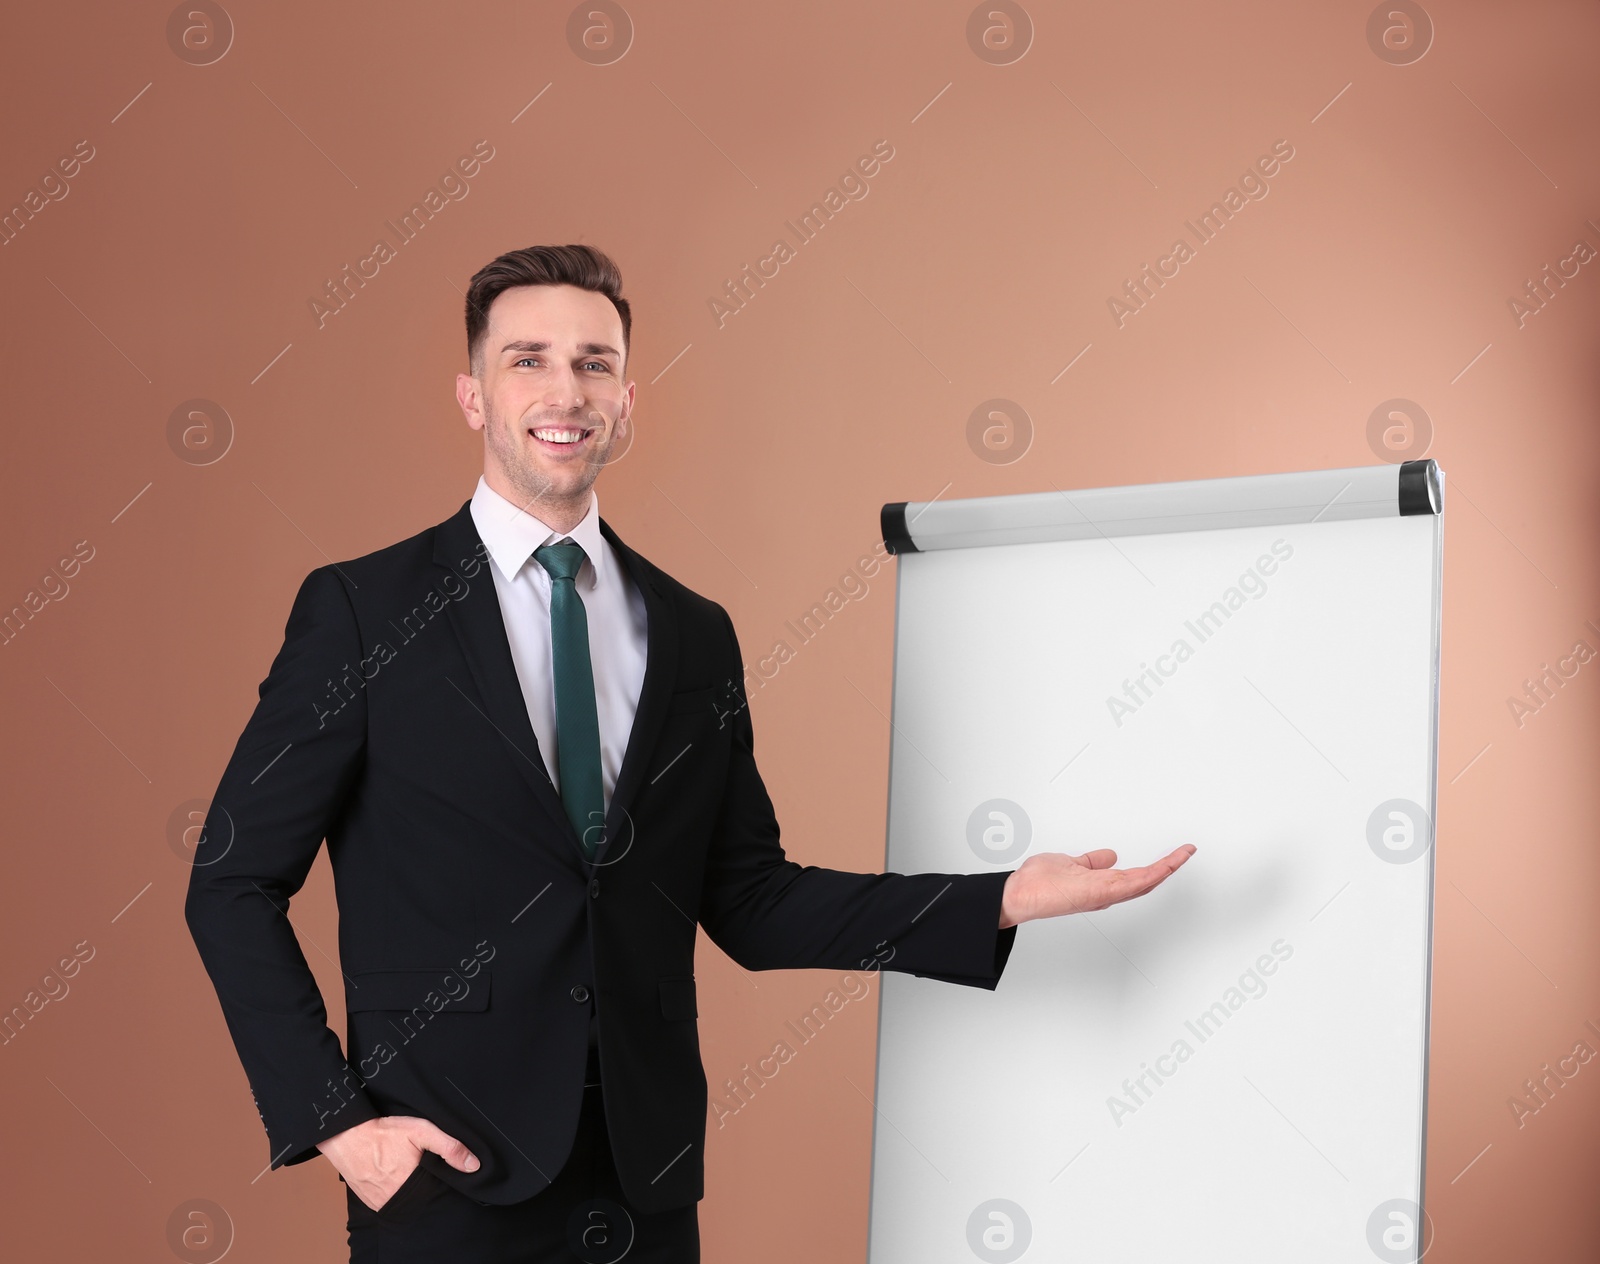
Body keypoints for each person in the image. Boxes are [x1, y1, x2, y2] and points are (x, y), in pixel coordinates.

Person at [183, 243, 1196, 1262]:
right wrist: (343, 1127)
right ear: (472, 395)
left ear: (625, 400)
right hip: (441, 1180)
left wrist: (998, 898)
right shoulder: (364, 610)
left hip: (642, 1183)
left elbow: (750, 899)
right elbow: (230, 880)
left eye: (593, 362)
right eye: (527, 358)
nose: (563, 389)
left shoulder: (690, 631)